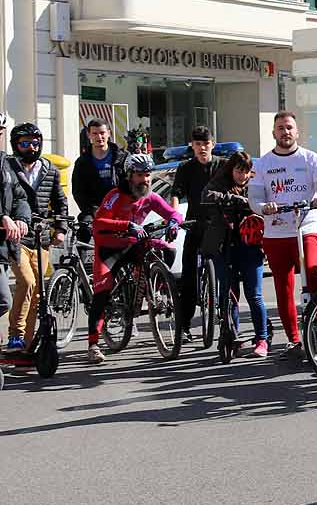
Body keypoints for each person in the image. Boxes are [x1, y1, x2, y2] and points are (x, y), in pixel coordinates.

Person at [248, 111, 317, 362]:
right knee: (283, 287)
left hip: (306, 225)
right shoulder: (262, 164)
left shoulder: (310, 159)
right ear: (274, 133)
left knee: (311, 270)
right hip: (276, 231)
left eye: (289, 128)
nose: (285, 132)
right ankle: (294, 338)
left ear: (297, 132)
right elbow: (254, 197)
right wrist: (264, 207)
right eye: (280, 128)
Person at [86, 154, 181, 365]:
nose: (145, 180)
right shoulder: (115, 195)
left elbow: (173, 213)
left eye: (147, 175)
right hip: (109, 248)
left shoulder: (150, 197)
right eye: (140, 175)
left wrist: (173, 223)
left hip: (134, 244)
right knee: (102, 291)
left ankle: (154, 288)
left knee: (168, 250)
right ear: (129, 176)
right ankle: (93, 344)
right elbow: (99, 222)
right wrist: (125, 225)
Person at [5, 122, 67, 352]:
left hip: (41, 239)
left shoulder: (49, 169)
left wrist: (60, 229)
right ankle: (16, 335)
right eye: (24, 143)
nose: (31, 147)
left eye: (35, 142)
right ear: (15, 145)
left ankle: (27, 347)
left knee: (39, 291)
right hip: (16, 236)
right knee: (27, 281)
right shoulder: (8, 168)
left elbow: (61, 202)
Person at [202, 151, 270, 357]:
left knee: (255, 295)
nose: (243, 176)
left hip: (251, 248)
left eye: (247, 171)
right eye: (239, 171)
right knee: (229, 295)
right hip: (225, 248)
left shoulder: (256, 186)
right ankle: (234, 335)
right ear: (231, 170)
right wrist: (236, 199)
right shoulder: (219, 182)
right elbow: (206, 195)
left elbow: (265, 205)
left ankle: (262, 339)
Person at [169, 126, 217, 347]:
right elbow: (176, 193)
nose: (202, 148)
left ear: (212, 144)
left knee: (227, 275)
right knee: (188, 279)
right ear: (193, 146)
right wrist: (174, 216)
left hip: (218, 227)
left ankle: (227, 321)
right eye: (198, 144)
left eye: (205, 144)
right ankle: (185, 326)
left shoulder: (222, 166)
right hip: (193, 226)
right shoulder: (185, 168)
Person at [0, 118, 32, 351]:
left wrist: (21, 217)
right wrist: (2, 216)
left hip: (2, 246)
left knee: (3, 300)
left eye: (0, 130)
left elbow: (20, 196)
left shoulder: (5, 163)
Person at [71, 118, 124, 219]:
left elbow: (131, 186)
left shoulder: (123, 158)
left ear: (108, 133)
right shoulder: (82, 162)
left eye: (102, 133)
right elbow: (78, 192)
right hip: (94, 212)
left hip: (121, 210)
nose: (99, 137)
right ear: (89, 135)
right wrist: (93, 211)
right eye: (95, 133)